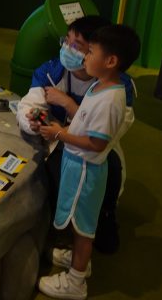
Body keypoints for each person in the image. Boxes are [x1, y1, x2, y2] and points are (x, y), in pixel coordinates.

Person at [36, 24, 140, 300]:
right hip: (76, 163)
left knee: (84, 228)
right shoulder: (100, 85)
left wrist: (59, 134)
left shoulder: (111, 99)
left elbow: (97, 143)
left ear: (111, 61)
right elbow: (84, 122)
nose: (84, 57)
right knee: (78, 223)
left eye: (90, 51)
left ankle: (76, 281)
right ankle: (77, 261)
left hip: (86, 170)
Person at [17, 15, 134, 254]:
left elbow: (106, 135)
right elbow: (29, 104)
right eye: (66, 40)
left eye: (78, 46)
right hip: (61, 143)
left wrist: (69, 105)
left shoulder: (118, 87)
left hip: (93, 152)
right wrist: (33, 120)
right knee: (54, 172)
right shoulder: (52, 71)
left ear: (106, 57)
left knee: (110, 171)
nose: (66, 49)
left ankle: (105, 218)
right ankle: (60, 234)